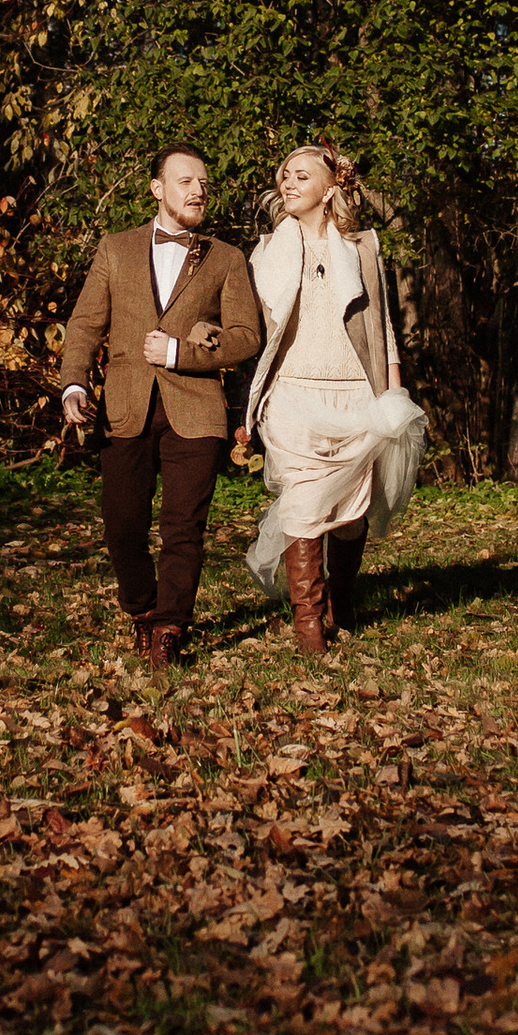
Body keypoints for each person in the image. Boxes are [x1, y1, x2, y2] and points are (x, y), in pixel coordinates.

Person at [57, 142, 262, 672]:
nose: (198, 191)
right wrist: (74, 384)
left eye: (204, 184)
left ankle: (170, 628)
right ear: (157, 188)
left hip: (197, 408)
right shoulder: (116, 248)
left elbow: (246, 336)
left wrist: (179, 352)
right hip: (125, 406)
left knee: (183, 527)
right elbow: (85, 324)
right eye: (186, 181)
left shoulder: (226, 257)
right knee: (122, 526)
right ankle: (142, 609)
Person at [243, 144, 428, 655]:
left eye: (301, 176)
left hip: (353, 392)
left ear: (329, 190)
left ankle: (340, 604)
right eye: (285, 175)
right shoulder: (267, 250)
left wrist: (392, 391)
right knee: (303, 506)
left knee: (349, 514)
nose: (288, 183)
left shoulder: (362, 248)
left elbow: (382, 324)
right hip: (292, 394)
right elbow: (252, 326)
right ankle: (308, 627)